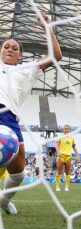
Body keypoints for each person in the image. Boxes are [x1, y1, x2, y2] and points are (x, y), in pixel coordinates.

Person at [0, 13, 62, 215]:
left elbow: (56, 56)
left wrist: (47, 28)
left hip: (10, 120)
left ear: (20, 56)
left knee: (18, 174)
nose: (10, 49)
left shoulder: (26, 70)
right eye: (6, 47)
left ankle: (4, 200)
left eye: (14, 48)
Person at [55, 125, 80, 192]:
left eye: (67, 129)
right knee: (59, 172)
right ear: (63, 130)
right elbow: (56, 145)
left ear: (69, 130)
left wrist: (78, 154)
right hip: (61, 156)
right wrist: (58, 153)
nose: (66, 130)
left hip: (68, 157)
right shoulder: (60, 137)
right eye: (65, 129)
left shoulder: (72, 138)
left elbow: (74, 147)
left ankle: (66, 187)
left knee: (68, 172)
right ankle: (57, 186)